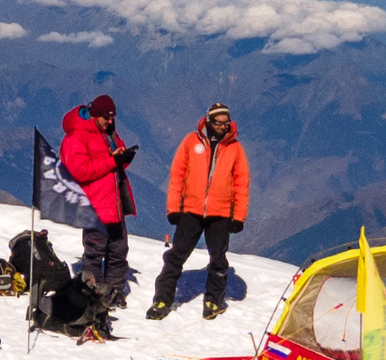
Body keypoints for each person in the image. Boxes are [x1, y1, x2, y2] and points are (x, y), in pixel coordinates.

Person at [148, 101, 250, 321]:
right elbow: (177, 175)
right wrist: (174, 208)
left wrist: (238, 216)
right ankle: (162, 299)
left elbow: (242, 184)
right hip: (191, 211)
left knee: (218, 259)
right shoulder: (191, 142)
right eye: (219, 122)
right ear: (209, 121)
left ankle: (213, 300)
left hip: (220, 214)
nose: (224, 126)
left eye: (226, 122)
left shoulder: (235, 148)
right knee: (176, 256)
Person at [60, 93, 138, 306]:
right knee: (94, 254)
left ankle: (114, 292)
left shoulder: (107, 133)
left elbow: (115, 165)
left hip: (115, 203)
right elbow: (79, 171)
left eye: (113, 118)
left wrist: (123, 158)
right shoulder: (76, 137)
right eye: (107, 118)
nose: (110, 122)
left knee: (118, 251)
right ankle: (95, 294)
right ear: (95, 115)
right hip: (94, 208)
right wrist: (112, 161)